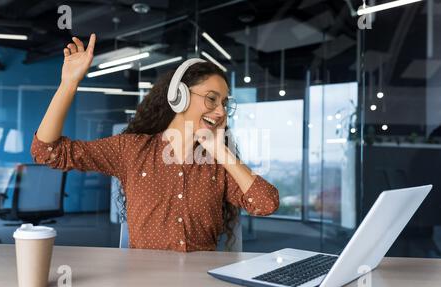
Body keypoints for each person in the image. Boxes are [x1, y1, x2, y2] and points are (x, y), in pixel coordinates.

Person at [30, 34, 279, 252]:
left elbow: (266, 204)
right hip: (144, 282)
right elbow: (47, 152)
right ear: (179, 96)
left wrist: (220, 151)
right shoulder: (131, 150)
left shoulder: (217, 162)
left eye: (225, 104)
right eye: (212, 99)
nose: (220, 112)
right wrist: (69, 83)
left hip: (200, 283)